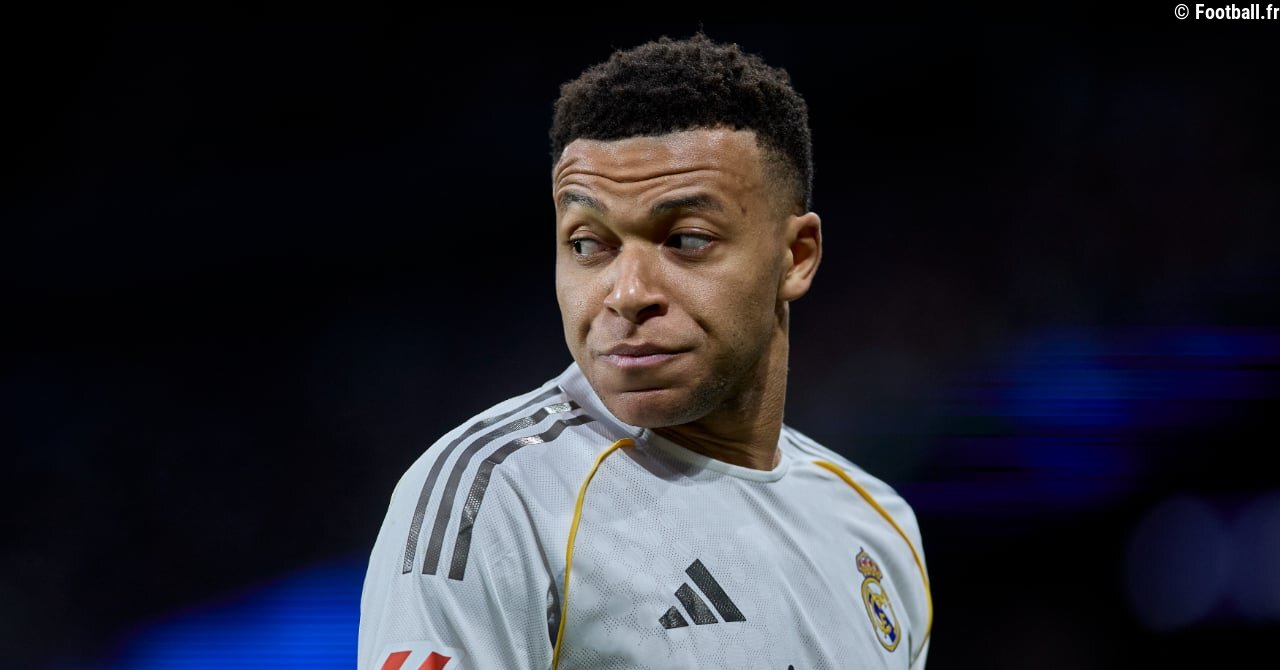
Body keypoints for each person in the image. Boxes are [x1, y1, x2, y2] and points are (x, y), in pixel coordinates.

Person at [358, 33, 931, 670]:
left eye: (686, 239)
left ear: (795, 257)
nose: (627, 294)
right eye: (587, 244)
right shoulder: (496, 499)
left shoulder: (878, 525)